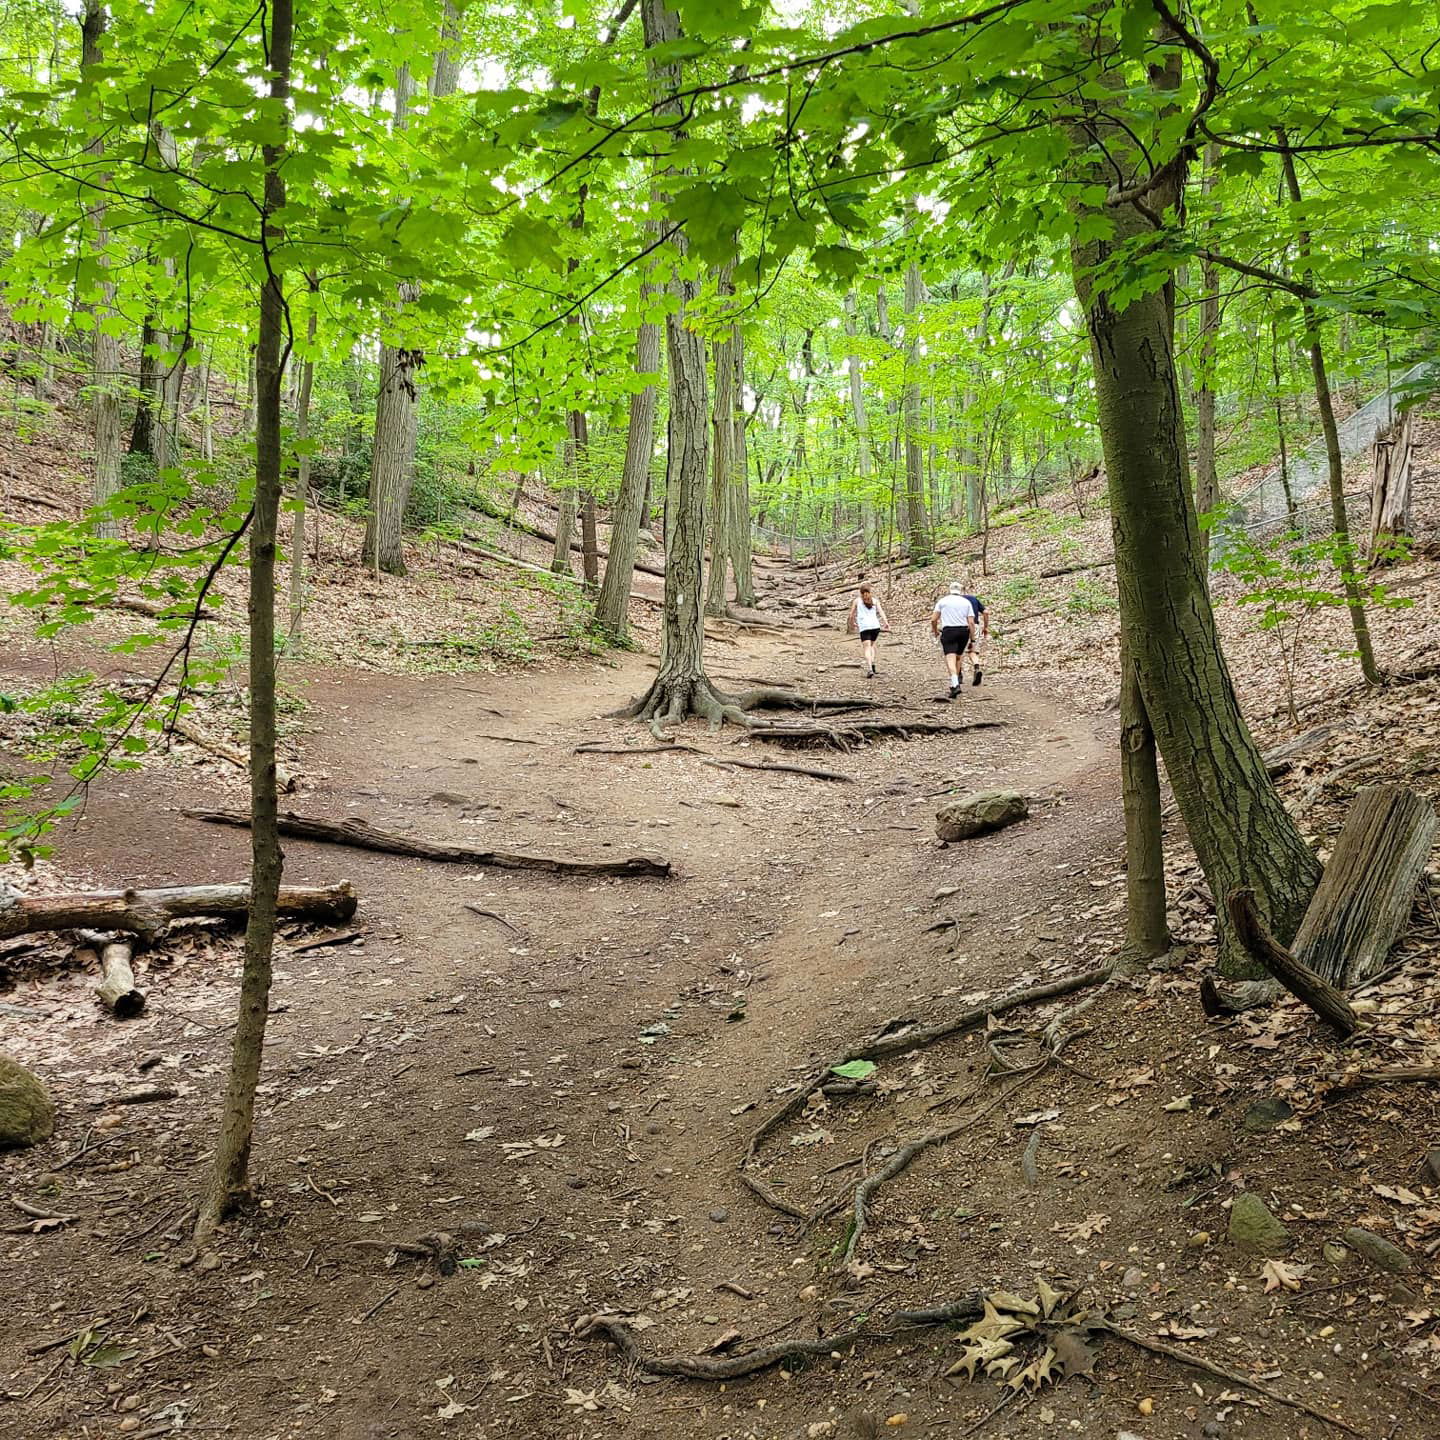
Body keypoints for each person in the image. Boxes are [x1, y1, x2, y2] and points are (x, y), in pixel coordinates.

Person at [930, 582, 976, 701]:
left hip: (949, 631)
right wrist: (972, 638)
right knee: (958, 657)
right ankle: (955, 682)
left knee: (950, 658)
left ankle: (955, 684)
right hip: (963, 632)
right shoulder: (966, 602)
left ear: (950, 590)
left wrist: (935, 631)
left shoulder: (943, 601)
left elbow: (933, 619)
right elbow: (971, 622)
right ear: (960, 590)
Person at [846, 583, 891, 678]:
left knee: (866, 648)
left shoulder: (857, 601)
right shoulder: (875, 601)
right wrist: (886, 622)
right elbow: (881, 612)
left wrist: (852, 623)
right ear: (870, 592)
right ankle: (873, 665)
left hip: (864, 627)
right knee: (872, 646)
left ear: (860, 592)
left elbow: (851, 614)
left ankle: (870, 669)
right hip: (875, 626)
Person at [962, 589, 989, 686]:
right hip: (975, 626)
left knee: (958, 652)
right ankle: (977, 668)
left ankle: (958, 675)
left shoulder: (957, 600)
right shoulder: (974, 599)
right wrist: (985, 627)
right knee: (972, 651)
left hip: (961, 626)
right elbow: (985, 612)